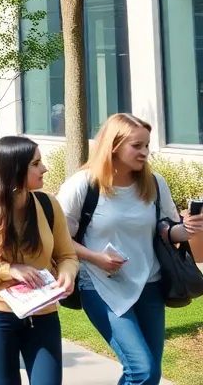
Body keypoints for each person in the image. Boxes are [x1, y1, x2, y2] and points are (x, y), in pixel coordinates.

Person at [58, 114, 203, 385]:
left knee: (151, 374)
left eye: (147, 145)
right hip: (100, 286)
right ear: (113, 145)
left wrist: (190, 229)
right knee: (141, 369)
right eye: (137, 146)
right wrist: (95, 258)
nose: (145, 153)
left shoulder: (155, 183)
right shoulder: (82, 185)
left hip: (149, 283)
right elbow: (57, 239)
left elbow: (167, 230)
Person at [0, 136, 78, 385]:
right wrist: (8, 270)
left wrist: (68, 273)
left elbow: (67, 255)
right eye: (36, 163)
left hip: (43, 313)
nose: (44, 168)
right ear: (14, 168)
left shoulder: (48, 204)